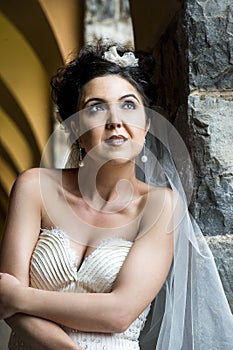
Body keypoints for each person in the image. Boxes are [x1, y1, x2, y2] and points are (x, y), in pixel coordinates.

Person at [0, 42, 232, 350]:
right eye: (96, 107)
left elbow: (119, 313)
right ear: (74, 129)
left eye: (128, 105)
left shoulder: (160, 206)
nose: (115, 121)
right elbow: (10, 311)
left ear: (146, 125)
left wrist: (19, 296)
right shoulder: (34, 188)